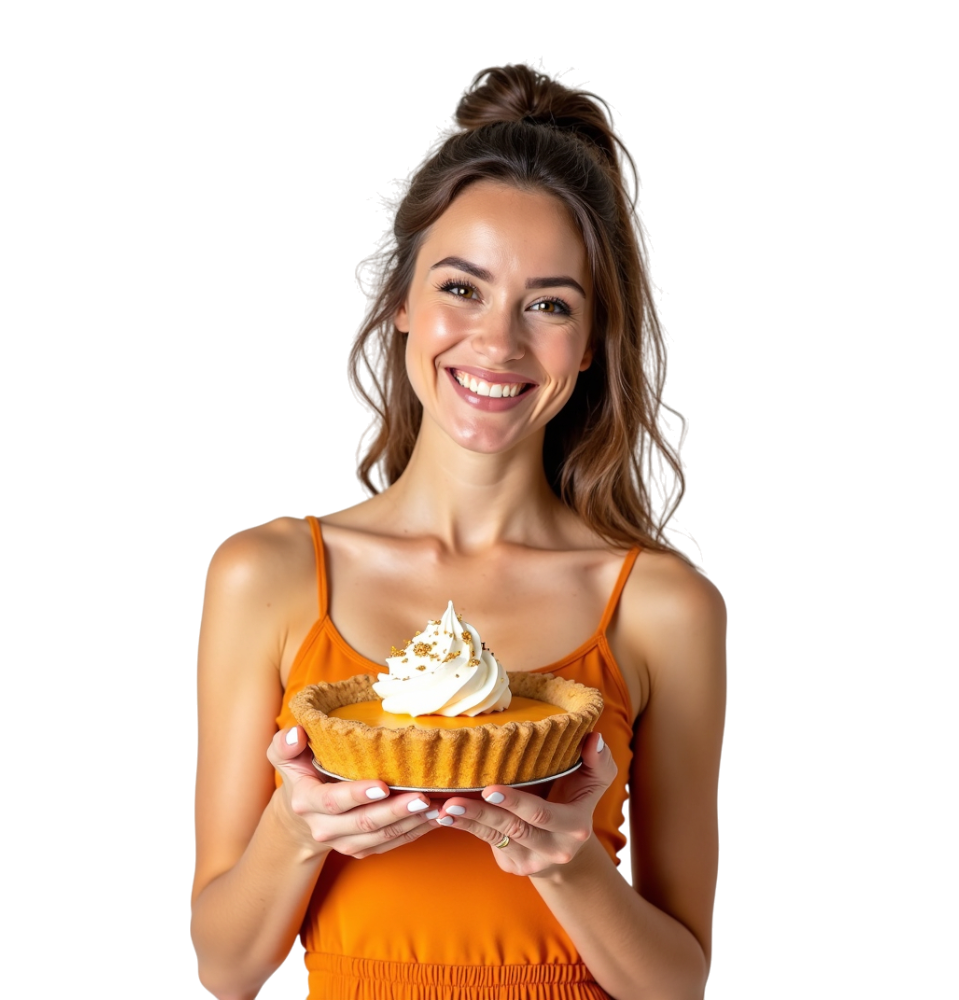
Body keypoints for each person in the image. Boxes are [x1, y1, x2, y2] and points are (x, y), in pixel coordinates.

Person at [192, 62, 727, 1000]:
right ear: (402, 301)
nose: (499, 344)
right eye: (463, 288)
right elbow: (226, 969)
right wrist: (300, 827)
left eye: (550, 304)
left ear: (593, 341)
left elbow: (679, 983)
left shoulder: (662, 606)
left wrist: (567, 863)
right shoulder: (264, 574)